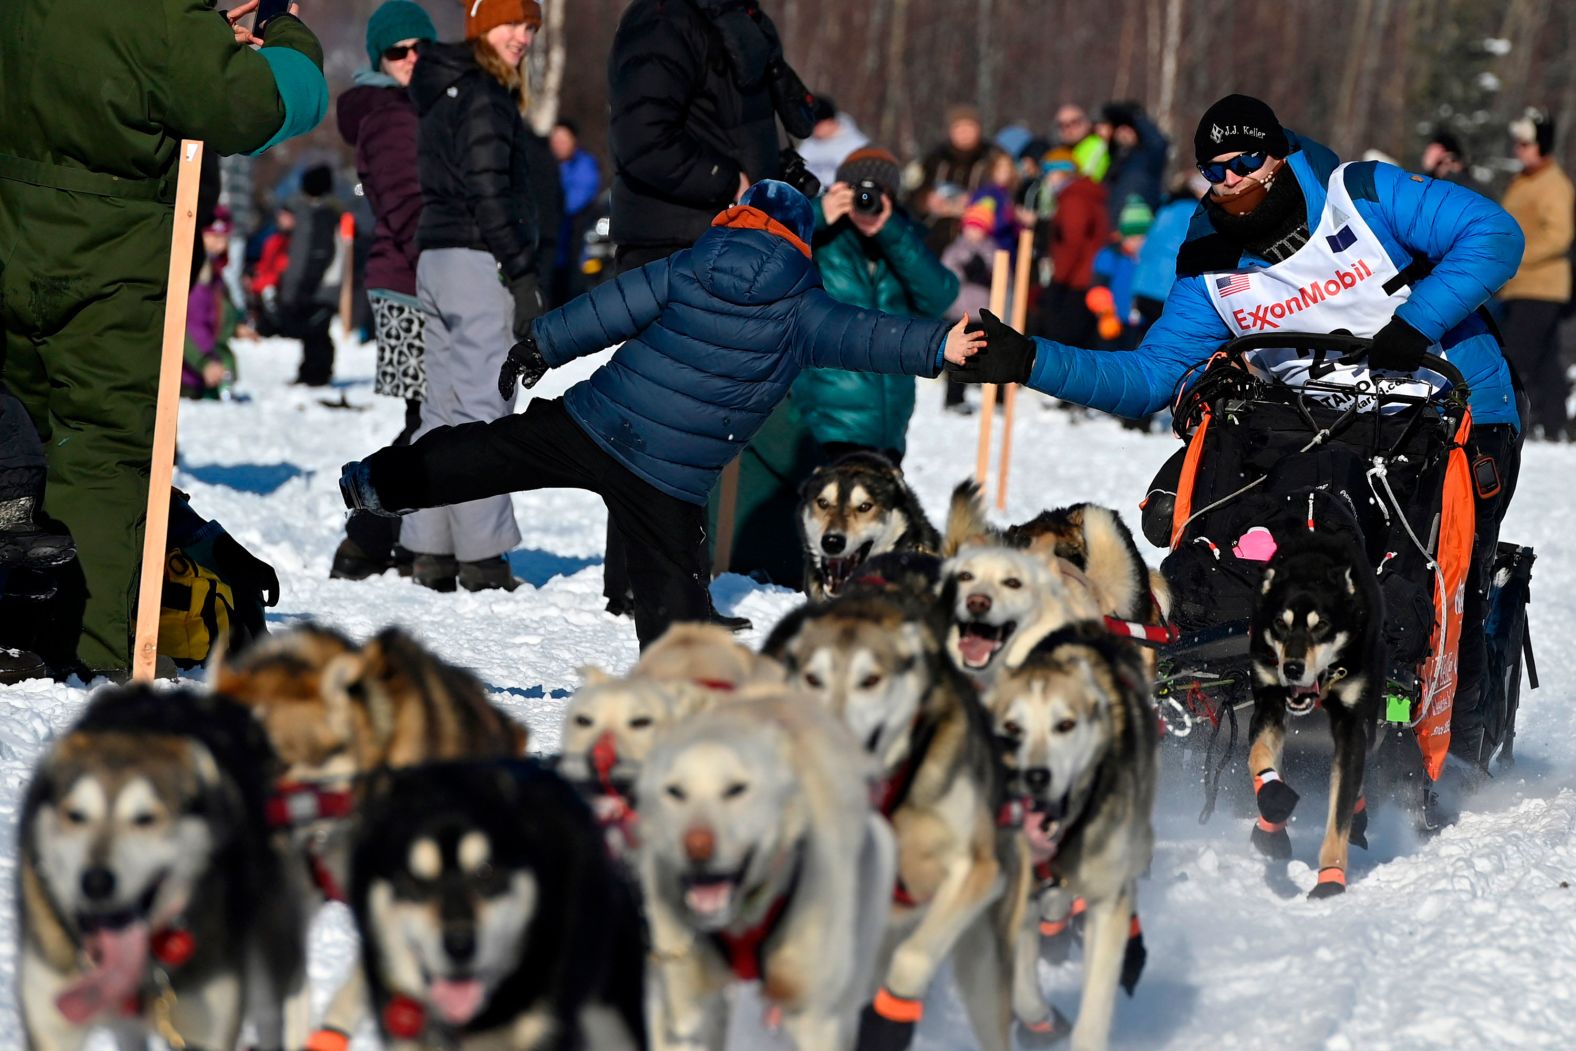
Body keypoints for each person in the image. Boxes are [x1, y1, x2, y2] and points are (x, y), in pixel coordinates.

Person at [953, 94, 1525, 769]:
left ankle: (1463, 736)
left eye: (1244, 161)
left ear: (1277, 155)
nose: (1228, 178)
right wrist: (1029, 359)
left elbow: (1495, 236)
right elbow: (1148, 377)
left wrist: (1414, 323)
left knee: (1451, 570)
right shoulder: (1212, 265)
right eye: (1213, 168)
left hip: (1453, 411)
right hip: (1318, 425)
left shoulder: (1364, 195)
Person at [340, 181, 984, 647]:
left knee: (484, 456)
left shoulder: (690, 264)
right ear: (801, 240)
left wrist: (541, 345)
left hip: (595, 423)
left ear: (738, 216)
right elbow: (873, 335)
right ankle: (679, 692)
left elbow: (610, 307)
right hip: (670, 480)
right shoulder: (805, 306)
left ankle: (382, 483)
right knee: (674, 598)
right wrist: (942, 344)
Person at [0, 0, 326, 678]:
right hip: (110, 265)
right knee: (104, 454)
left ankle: (15, 622)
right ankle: (85, 651)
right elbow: (261, 105)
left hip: (14, 239)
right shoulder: (158, 17)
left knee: (19, 442)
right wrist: (284, 32)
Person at [603, 0, 819, 627]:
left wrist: (777, 174)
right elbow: (642, 141)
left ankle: (676, 589)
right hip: (673, 240)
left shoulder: (744, 25)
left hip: (729, 240)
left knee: (699, 421)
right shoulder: (663, 20)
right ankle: (647, 588)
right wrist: (736, 182)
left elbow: (782, 118)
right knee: (656, 419)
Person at [400, 0, 550, 594]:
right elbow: (489, 191)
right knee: (484, 408)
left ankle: (431, 549)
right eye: (512, 24)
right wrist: (521, 271)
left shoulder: (443, 89)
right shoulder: (485, 95)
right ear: (481, 26)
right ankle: (483, 560)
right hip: (475, 260)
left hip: (435, 260)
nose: (523, 37)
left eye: (531, 27)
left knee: (441, 408)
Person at [329, 0, 437, 581]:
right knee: (430, 419)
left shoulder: (412, 108)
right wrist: (449, 273)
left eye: (422, 47)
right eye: (399, 51)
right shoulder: (390, 115)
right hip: (411, 287)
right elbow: (408, 210)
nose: (413, 59)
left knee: (433, 417)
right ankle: (368, 534)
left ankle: (384, 536)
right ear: (379, 58)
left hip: (413, 281)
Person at [793, 147, 960, 461]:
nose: (865, 199)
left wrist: (891, 233)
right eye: (858, 189)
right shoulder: (819, 239)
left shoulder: (903, 235)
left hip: (890, 423)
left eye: (876, 191)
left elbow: (941, 297)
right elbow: (766, 251)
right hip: (827, 420)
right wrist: (815, 215)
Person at [1498, 110, 1574, 442]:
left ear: (1541, 145)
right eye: (1518, 143)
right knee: (1544, 360)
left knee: (1515, 355)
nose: (1519, 150)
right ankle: (1556, 424)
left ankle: (1504, 419)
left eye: (1526, 144)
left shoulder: (1554, 184)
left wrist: (1516, 255)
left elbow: (1559, 235)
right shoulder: (1524, 179)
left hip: (1541, 287)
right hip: (1520, 285)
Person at [277, 163, 342, 387]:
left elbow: (313, 255)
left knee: (317, 333)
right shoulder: (329, 213)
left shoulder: (317, 216)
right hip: (323, 285)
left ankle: (317, 373)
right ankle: (311, 371)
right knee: (314, 333)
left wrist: (300, 288)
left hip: (320, 286)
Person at [1039, 148, 1109, 346]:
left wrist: (1059, 278)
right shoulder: (1085, 194)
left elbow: (1072, 242)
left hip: (1075, 281)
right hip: (1087, 276)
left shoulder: (1074, 198)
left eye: (1049, 173)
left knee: (1063, 341)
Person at [911, 104, 995, 253]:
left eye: (969, 127)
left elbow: (1003, 196)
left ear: (978, 129)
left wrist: (974, 202)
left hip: (977, 243)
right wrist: (927, 201)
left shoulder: (991, 159)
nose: (964, 133)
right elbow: (912, 194)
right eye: (958, 128)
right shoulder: (935, 160)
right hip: (934, 239)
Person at [183, 207, 240, 400]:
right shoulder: (193, 275)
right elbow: (186, 325)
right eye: (213, 237)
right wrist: (203, 363)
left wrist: (236, 326)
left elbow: (219, 311)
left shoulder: (215, 274)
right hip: (187, 375)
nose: (219, 244)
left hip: (207, 373)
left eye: (224, 238)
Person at [549, 119, 602, 307]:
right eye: (555, 140)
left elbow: (577, 199)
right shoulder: (545, 164)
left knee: (572, 293)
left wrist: (551, 203)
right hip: (551, 247)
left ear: (573, 141)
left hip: (575, 243)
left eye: (563, 140)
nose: (558, 145)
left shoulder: (584, 165)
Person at [1095, 101, 1169, 231]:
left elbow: (1158, 143)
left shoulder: (1148, 158)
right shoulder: (1115, 161)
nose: (1124, 132)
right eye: (1120, 127)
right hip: (1111, 232)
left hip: (1137, 232)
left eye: (1129, 127)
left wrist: (1136, 117)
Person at [797, 96, 869, 190]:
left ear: (830, 121)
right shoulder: (807, 145)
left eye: (816, 124)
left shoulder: (858, 146)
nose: (813, 128)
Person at [1056, 102, 1110, 182]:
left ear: (1086, 123)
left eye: (1074, 122)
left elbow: (1085, 182)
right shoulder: (1062, 152)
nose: (1068, 130)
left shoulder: (1096, 146)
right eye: (1062, 125)